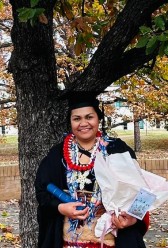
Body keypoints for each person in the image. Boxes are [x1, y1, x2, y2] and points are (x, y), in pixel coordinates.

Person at [35, 92, 149, 248]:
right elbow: (42, 190)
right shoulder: (58, 154)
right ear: (70, 122)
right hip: (67, 241)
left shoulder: (117, 150)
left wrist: (133, 218)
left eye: (89, 117)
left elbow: (142, 193)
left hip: (111, 240)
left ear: (98, 118)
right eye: (77, 119)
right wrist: (61, 207)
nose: (83, 123)